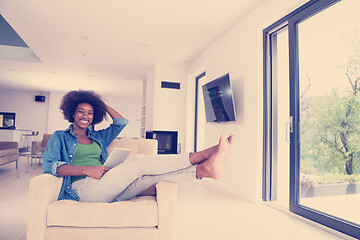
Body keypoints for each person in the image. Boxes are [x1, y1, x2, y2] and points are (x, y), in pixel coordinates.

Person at [42, 90, 234, 203]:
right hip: (81, 189)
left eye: (91, 112)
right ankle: (204, 154)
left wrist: (99, 103)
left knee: (149, 177)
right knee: (138, 162)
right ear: (72, 113)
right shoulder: (60, 137)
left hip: (108, 188)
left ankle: (203, 170)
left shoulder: (99, 137)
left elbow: (121, 122)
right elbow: (49, 166)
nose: (85, 116)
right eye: (80, 111)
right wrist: (87, 169)